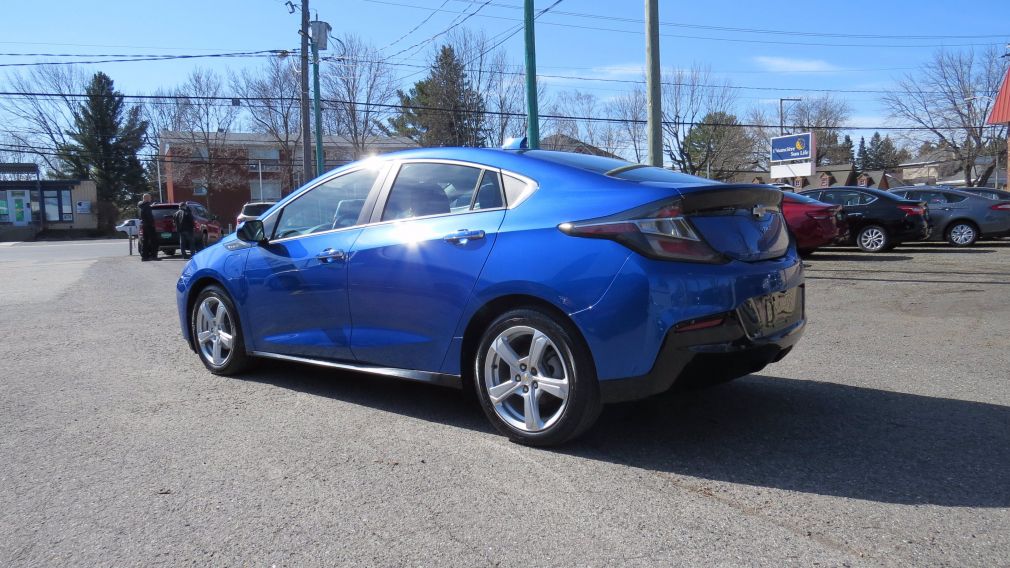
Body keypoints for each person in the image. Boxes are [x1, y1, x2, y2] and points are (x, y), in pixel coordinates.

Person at [138, 193, 159, 261]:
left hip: (144, 225)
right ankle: (154, 256)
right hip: (149, 225)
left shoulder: (142, 206)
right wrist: (152, 223)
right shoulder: (147, 206)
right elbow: (149, 216)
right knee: (154, 241)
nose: (151, 199)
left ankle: (144, 256)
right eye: (150, 197)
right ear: (146, 198)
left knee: (145, 241)